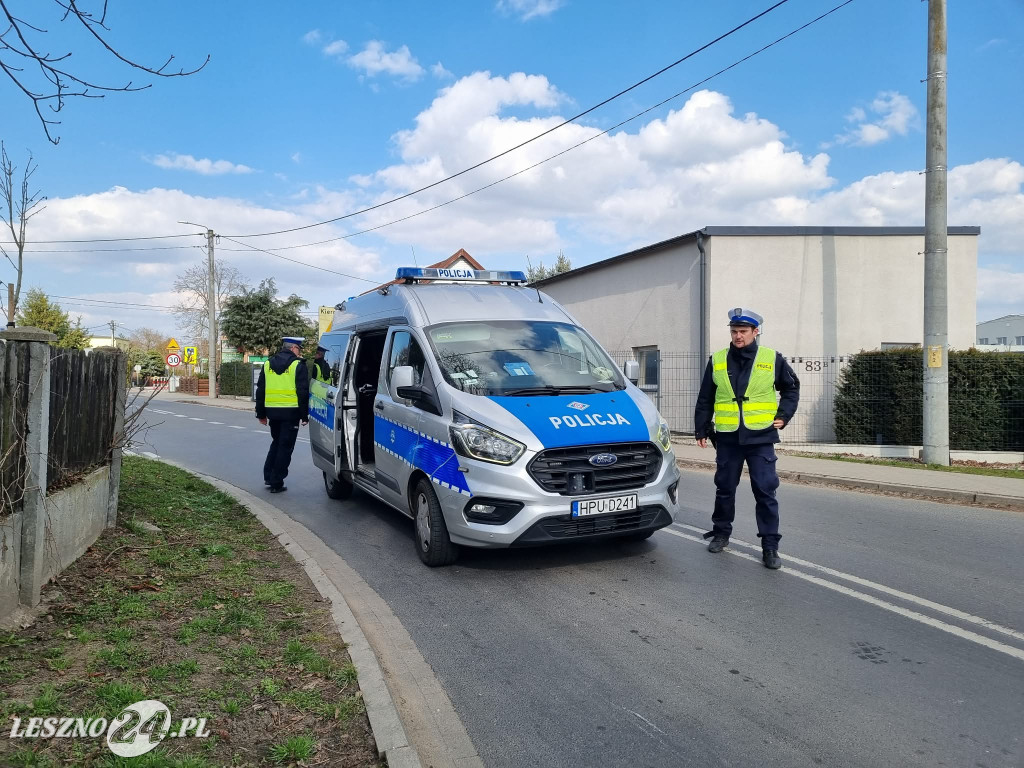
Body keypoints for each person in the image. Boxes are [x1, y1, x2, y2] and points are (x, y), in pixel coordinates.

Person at [694, 308, 800, 569]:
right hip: (729, 437)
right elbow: (706, 397)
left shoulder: (771, 358)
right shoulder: (718, 359)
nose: (738, 336)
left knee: (765, 491)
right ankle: (721, 534)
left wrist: (784, 415)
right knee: (725, 489)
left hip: (760, 436)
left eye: (743, 331)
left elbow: (791, 388)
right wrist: (701, 428)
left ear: (755, 332)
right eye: (734, 331)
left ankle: (770, 546)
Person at [255, 336, 310, 493]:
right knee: (285, 447)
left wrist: (261, 414)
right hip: (290, 414)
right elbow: (302, 392)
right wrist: (304, 416)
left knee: (277, 443)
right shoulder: (298, 365)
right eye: (298, 349)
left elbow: (260, 391)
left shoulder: (267, 364)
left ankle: (268, 475)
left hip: (273, 413)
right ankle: (276, 481)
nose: (299, 353)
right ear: (293, 348)